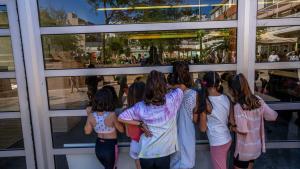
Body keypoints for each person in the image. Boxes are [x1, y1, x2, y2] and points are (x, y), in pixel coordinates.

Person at [118, 70, 184, 169]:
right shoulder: (172, 100)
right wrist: (167, 86)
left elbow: (121, 117)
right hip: (163, 153)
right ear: (164, 85)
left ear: (147, 87)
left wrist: (140, 124)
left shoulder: (140, 106)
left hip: (146, 153)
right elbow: (181, 87)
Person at [228, 73, 278, 169]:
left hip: (244, 151)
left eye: (230, 89)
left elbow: (242, 130)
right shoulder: (258, 100)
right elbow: (272, 116)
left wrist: (231, 126)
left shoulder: (239, 106)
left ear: (234, 90)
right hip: (255, 147)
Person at [199, 71, 232, 169]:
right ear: (218, 84)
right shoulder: (226, 98)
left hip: (218, 142)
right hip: (227, 139)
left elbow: (203, 129)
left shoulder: (205, 102)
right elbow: (230, 119)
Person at [84, 88, 124, 169]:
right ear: (109, 101)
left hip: (99, 147)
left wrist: (89, 115)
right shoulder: (112, 115)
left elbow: (87, 132)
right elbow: (121, 130)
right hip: (110, 147)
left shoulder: (92, 115)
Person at [170, 62, 198, 169]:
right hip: (188, 134)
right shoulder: (194, 95)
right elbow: (195, 119)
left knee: (173, 162)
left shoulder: (169, 94)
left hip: (172, 136)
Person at [126, 82, 146, 169]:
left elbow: (128, 134)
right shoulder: (147, 110)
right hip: (147, 144)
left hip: (135, 145)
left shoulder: (127, 111)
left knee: (138, 166)